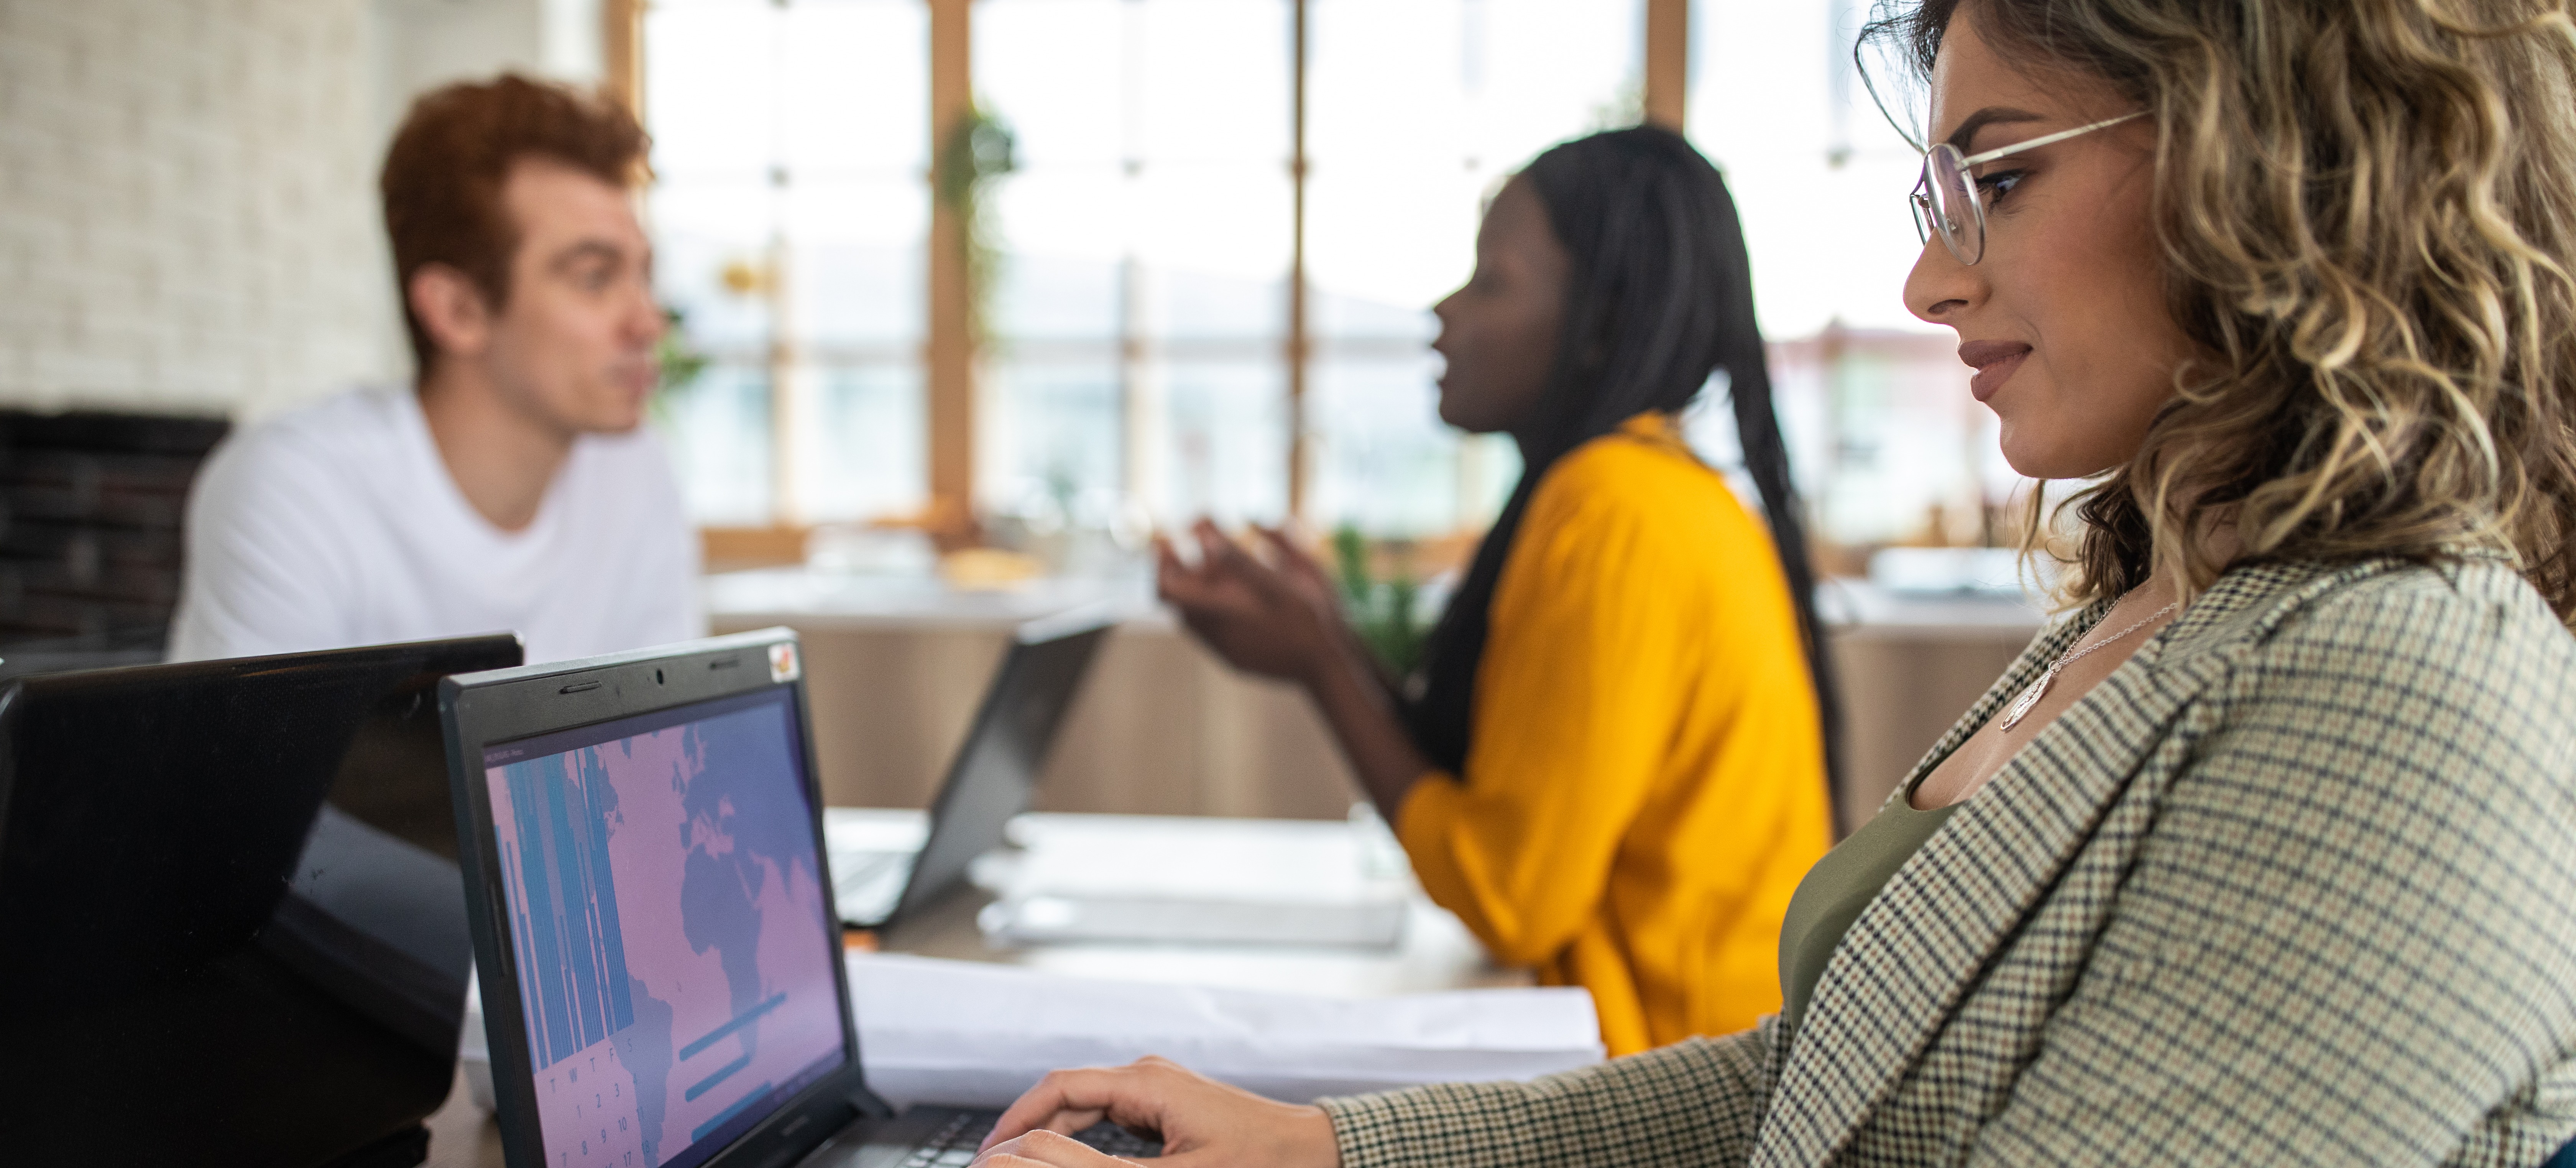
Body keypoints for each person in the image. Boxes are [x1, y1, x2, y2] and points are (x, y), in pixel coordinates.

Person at [972, 0, 2576, 1163]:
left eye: (1999, 178)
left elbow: (1536, 906)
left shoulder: (2405, 685)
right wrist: (1324, 1149)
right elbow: (1815, 1084)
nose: (1933, 276)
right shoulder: (2153, 611)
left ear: (2281, 167)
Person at [1156, 126, 1838, 1055]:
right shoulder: (1655, 488)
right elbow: (1514, 824)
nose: (1444, 313)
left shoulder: (1614, 510)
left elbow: (1513, 897)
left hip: (1669, 1097)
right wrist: (1326, 633)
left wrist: (1321, 663)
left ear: (1600, 316)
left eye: (1492, 282)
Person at [168, 75, 702, 666]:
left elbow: (675, 744)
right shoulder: (296, 491)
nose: (649, 321)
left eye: (643, 274)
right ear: (457, 310)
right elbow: (250, 761)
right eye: (595, 278)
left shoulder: (637, 471)